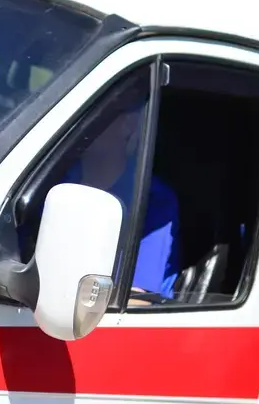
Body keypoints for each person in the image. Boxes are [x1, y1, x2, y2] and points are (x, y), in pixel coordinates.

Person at [63, 107, 181, 299]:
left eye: (92, 112)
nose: (76, 122)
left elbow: (137, 300)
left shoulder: (152, 200)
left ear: (128, 125)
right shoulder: (52, 183)